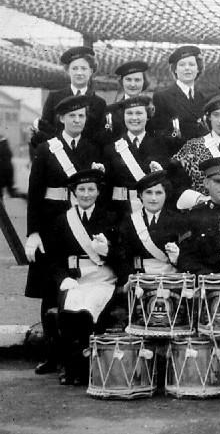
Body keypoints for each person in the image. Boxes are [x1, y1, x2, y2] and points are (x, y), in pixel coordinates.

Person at [24, 95, 104, 376]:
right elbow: (34, 194)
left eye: (81, 116)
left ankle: (77, 354)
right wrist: (33, 232)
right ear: (61, 119)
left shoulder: (94, 148)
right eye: (72, 116)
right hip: (52, 224)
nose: (77, 120)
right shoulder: (47, 149)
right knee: (51, 290)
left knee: (83, 285)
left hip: (84, 225)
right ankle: (51, 353)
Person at [46, 168, 118, 385]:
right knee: (70, 307)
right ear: (73, 193)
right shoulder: (62, 220)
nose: (86, 194)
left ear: (98, 192)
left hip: (102, 278)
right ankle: (71, 366)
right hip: (75, 278)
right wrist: (62, 279)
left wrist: (108, 250)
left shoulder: (111, 217)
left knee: (90, 309)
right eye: (81, 190)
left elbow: (123, 254)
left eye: (91, 189)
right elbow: (53, 258)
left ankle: (89, 367)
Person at [31, 47, 107, 153]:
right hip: (59, 157)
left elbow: (100, 137)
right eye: (74, 68)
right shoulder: (54, 98)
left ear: (91, 71)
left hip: (87, 158)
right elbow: (45, 131)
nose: (79, 73)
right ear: (68, 71)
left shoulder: (99, 103)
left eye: (83, 69)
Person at [103, 96, 170, 216]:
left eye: (139, 113)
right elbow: (107, 188)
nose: (134, 118)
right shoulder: (111, 148)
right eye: (129, 113)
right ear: (123, 116)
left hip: (153, 210)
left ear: (148, 116)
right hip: (121, 211)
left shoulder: (162, 145)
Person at [114, 170, 183, 286]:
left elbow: (190, 256)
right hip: (140, 279)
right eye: (149, 193)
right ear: (141, 195)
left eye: (159, 193)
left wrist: (177, 258)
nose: (154, 198)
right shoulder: (129, 222)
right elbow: (123, 257)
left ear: (166, 194)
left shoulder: (178, 220)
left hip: (172, 279)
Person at [149, 45, 208, 153]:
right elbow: (159, 135)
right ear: (175, 69)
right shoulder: (162, 97)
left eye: (191, 64)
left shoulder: (203, 98)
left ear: (198, 68)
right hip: (177, 158)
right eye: (182, 65)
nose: (187, 68)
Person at [102, 60, 151, 140]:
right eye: (128, 80)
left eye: (137, 80)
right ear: (122, 82)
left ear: (144, 82)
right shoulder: (111, 111)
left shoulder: (153, 107)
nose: (132, 84)